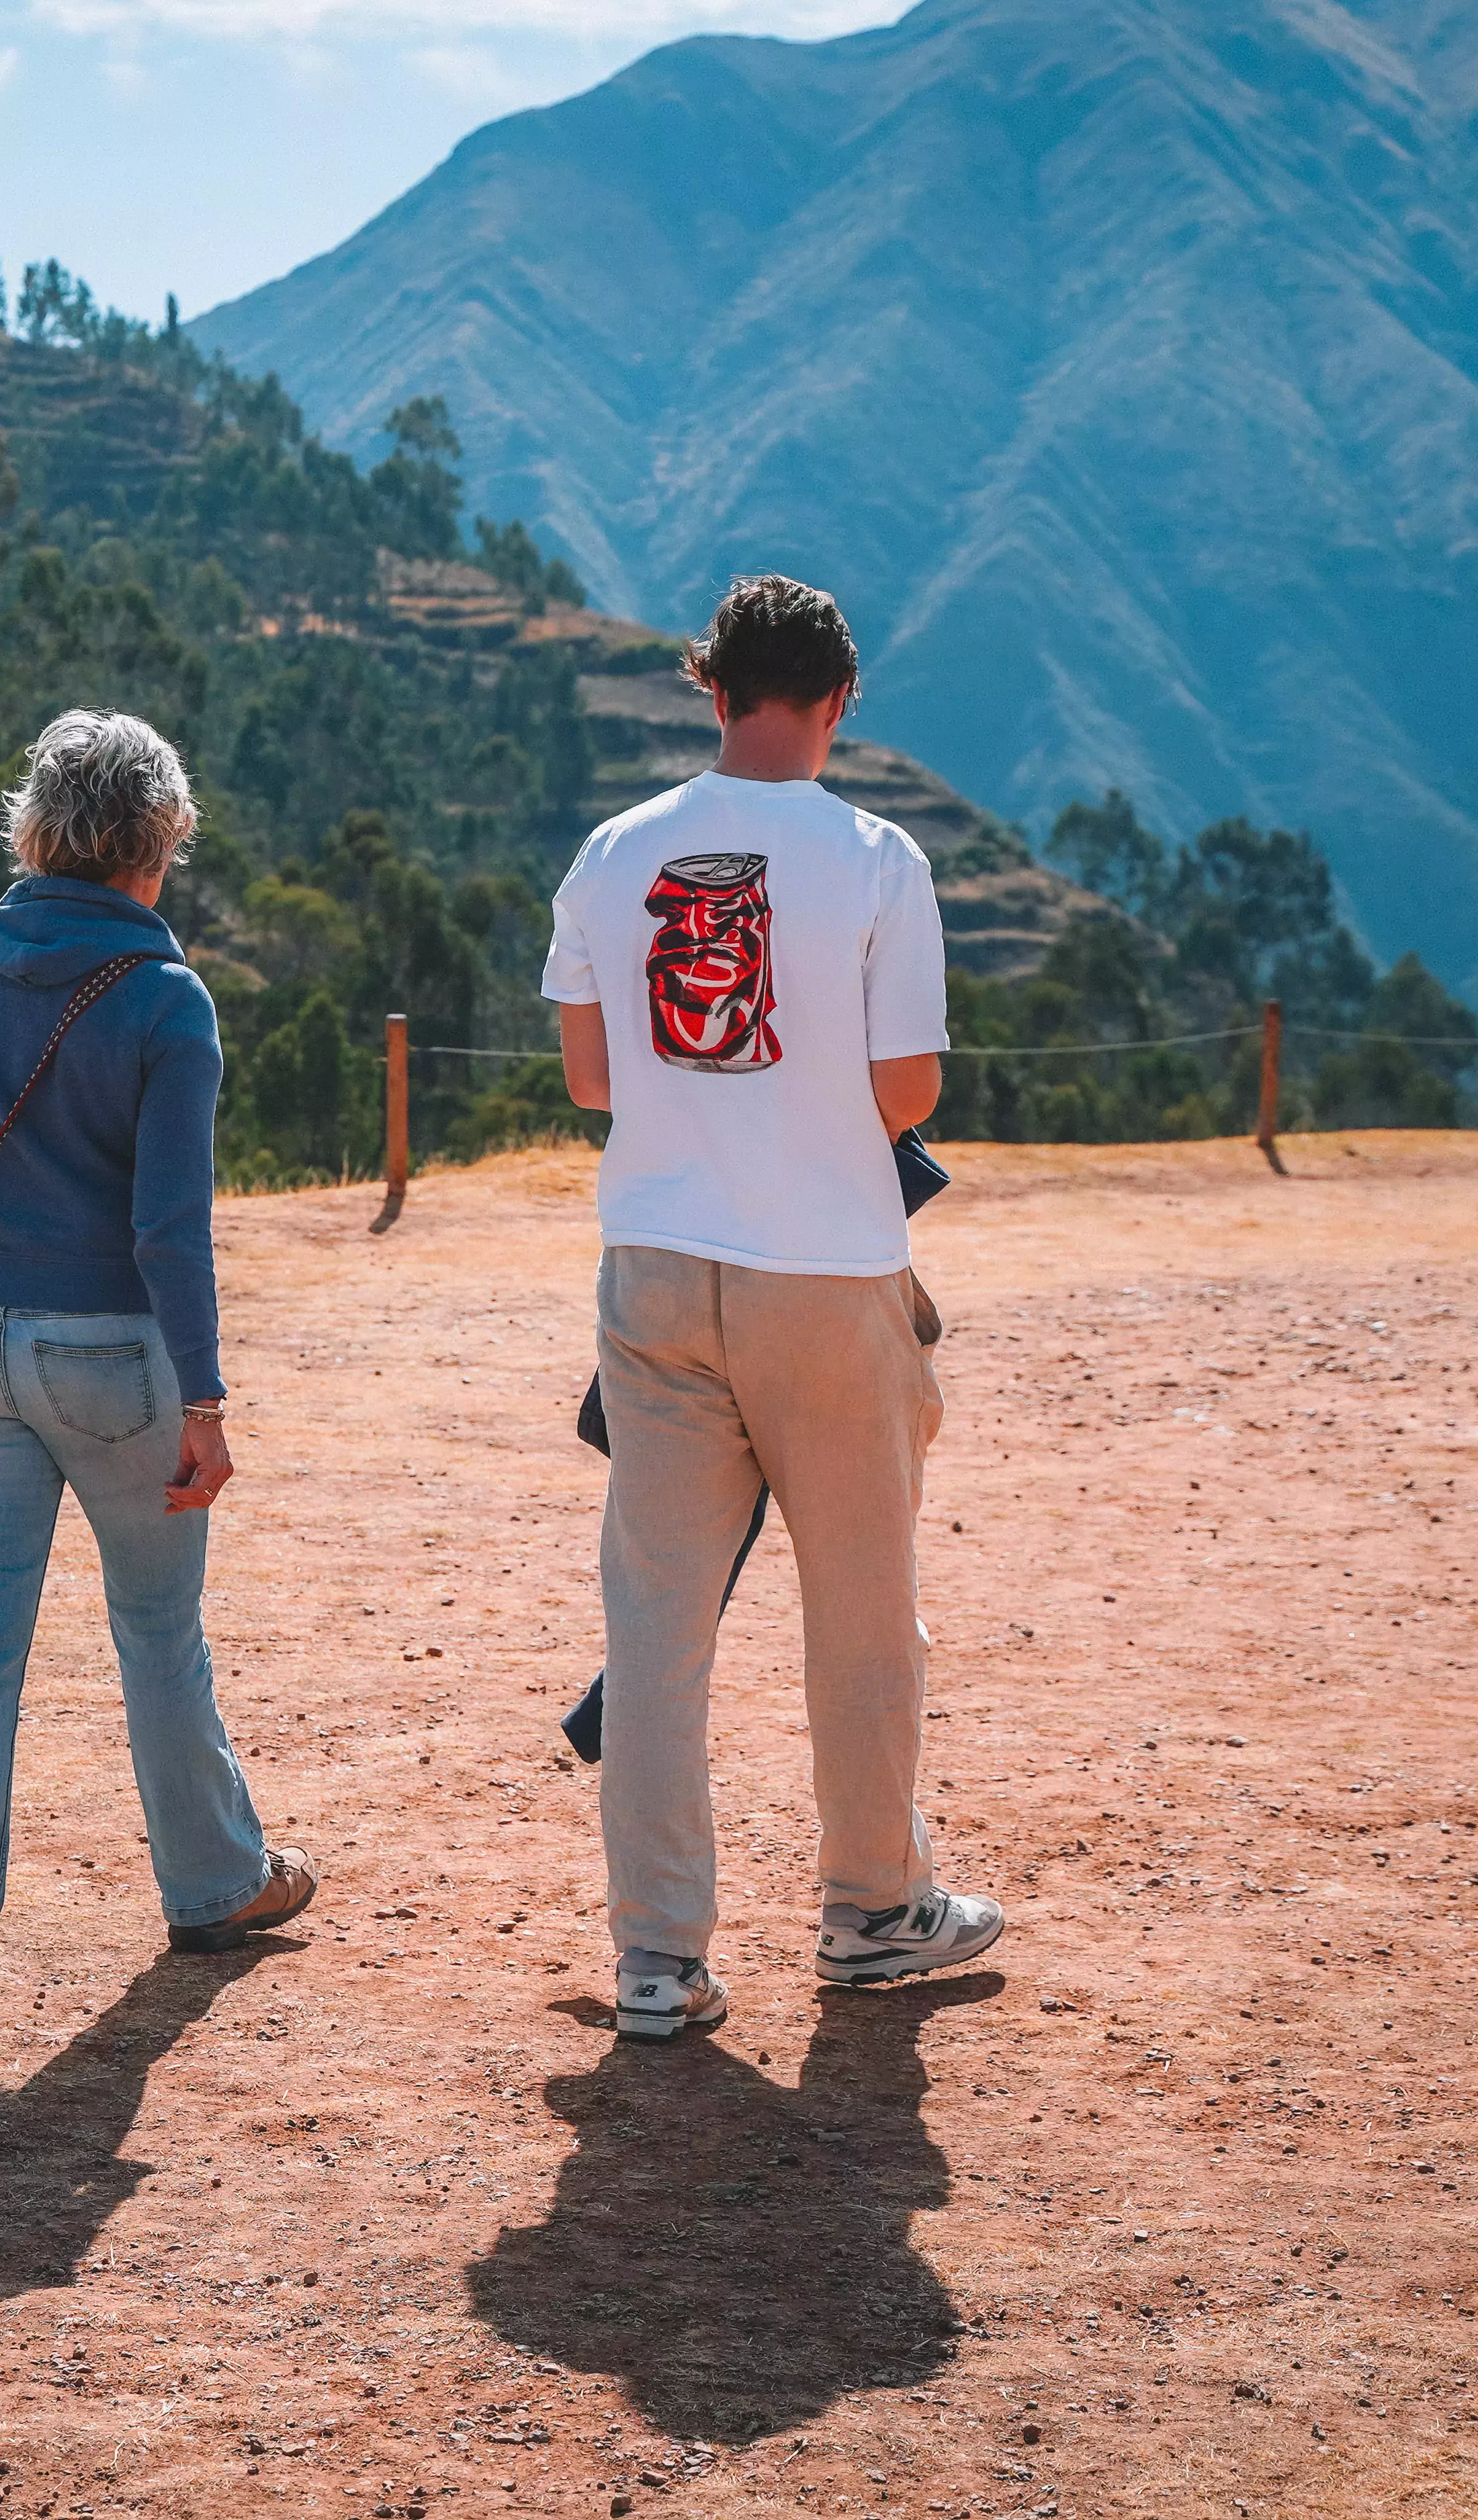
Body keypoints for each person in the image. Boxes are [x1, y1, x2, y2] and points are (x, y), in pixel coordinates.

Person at [544, 576, 1000, 2041]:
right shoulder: (879, 859)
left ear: (710, 688)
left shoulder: (612, 853)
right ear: (840, 700)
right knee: (861, 1606)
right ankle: (873, 1908)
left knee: (659, 1619)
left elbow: (596, 1081)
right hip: (826, 1268)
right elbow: (907, 1091)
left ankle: (660, 1958)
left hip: (657, 1265)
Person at [0, 710, 316, 2033]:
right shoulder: (165, 999)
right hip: (110, 1353)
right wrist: (204, 1398)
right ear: (148, 842)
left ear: (41, 833)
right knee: (156, 1630)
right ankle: (216, 1880)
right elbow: (168, 1223)